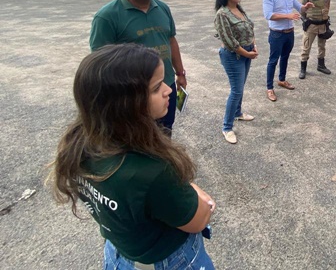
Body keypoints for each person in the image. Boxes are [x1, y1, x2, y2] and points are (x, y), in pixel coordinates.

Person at [52, 44, 216, 269]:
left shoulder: (80, 143)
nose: (169, 90)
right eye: (157, 87)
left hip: (121, 252)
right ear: (126, 105)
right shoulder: (152, 170)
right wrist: (199, 193)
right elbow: (198, 219)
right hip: (170, 260)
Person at [89, 0, 187, 136]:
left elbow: (171, 40)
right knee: (137, 136)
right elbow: (100, 61)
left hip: (166, 83)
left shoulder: (162, 8)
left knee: (165, 130)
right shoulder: (107, 16)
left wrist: (180, 73)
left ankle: (162, 161)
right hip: (134, 92)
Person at [214, 0, 258, 144]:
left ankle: (238, 113)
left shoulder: (239, 9)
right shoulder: (222, 14)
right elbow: (230, 42)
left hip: (247, 53)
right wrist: (247, 54)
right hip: (234, 56)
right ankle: (226, 127)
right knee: (236, 90)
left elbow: (249, 29)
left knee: (241, 86)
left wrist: (254, 46)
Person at [263, 0, 314, 102]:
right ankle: (269, 88)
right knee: (273, 60)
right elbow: (269, 15)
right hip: (277, 34)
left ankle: (282, 80)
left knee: (285, 57)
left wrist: (306, 7)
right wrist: (288, 16)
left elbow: (300, 8)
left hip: (289, 33)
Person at [299, 0, 332, 79]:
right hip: (311, 25)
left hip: (323, 25)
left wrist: (326, 19)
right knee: (306, 47)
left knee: (322, 46)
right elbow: (301, 8)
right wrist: (305, 20)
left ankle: (321, 66)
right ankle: (303, 69)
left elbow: (327, 6)